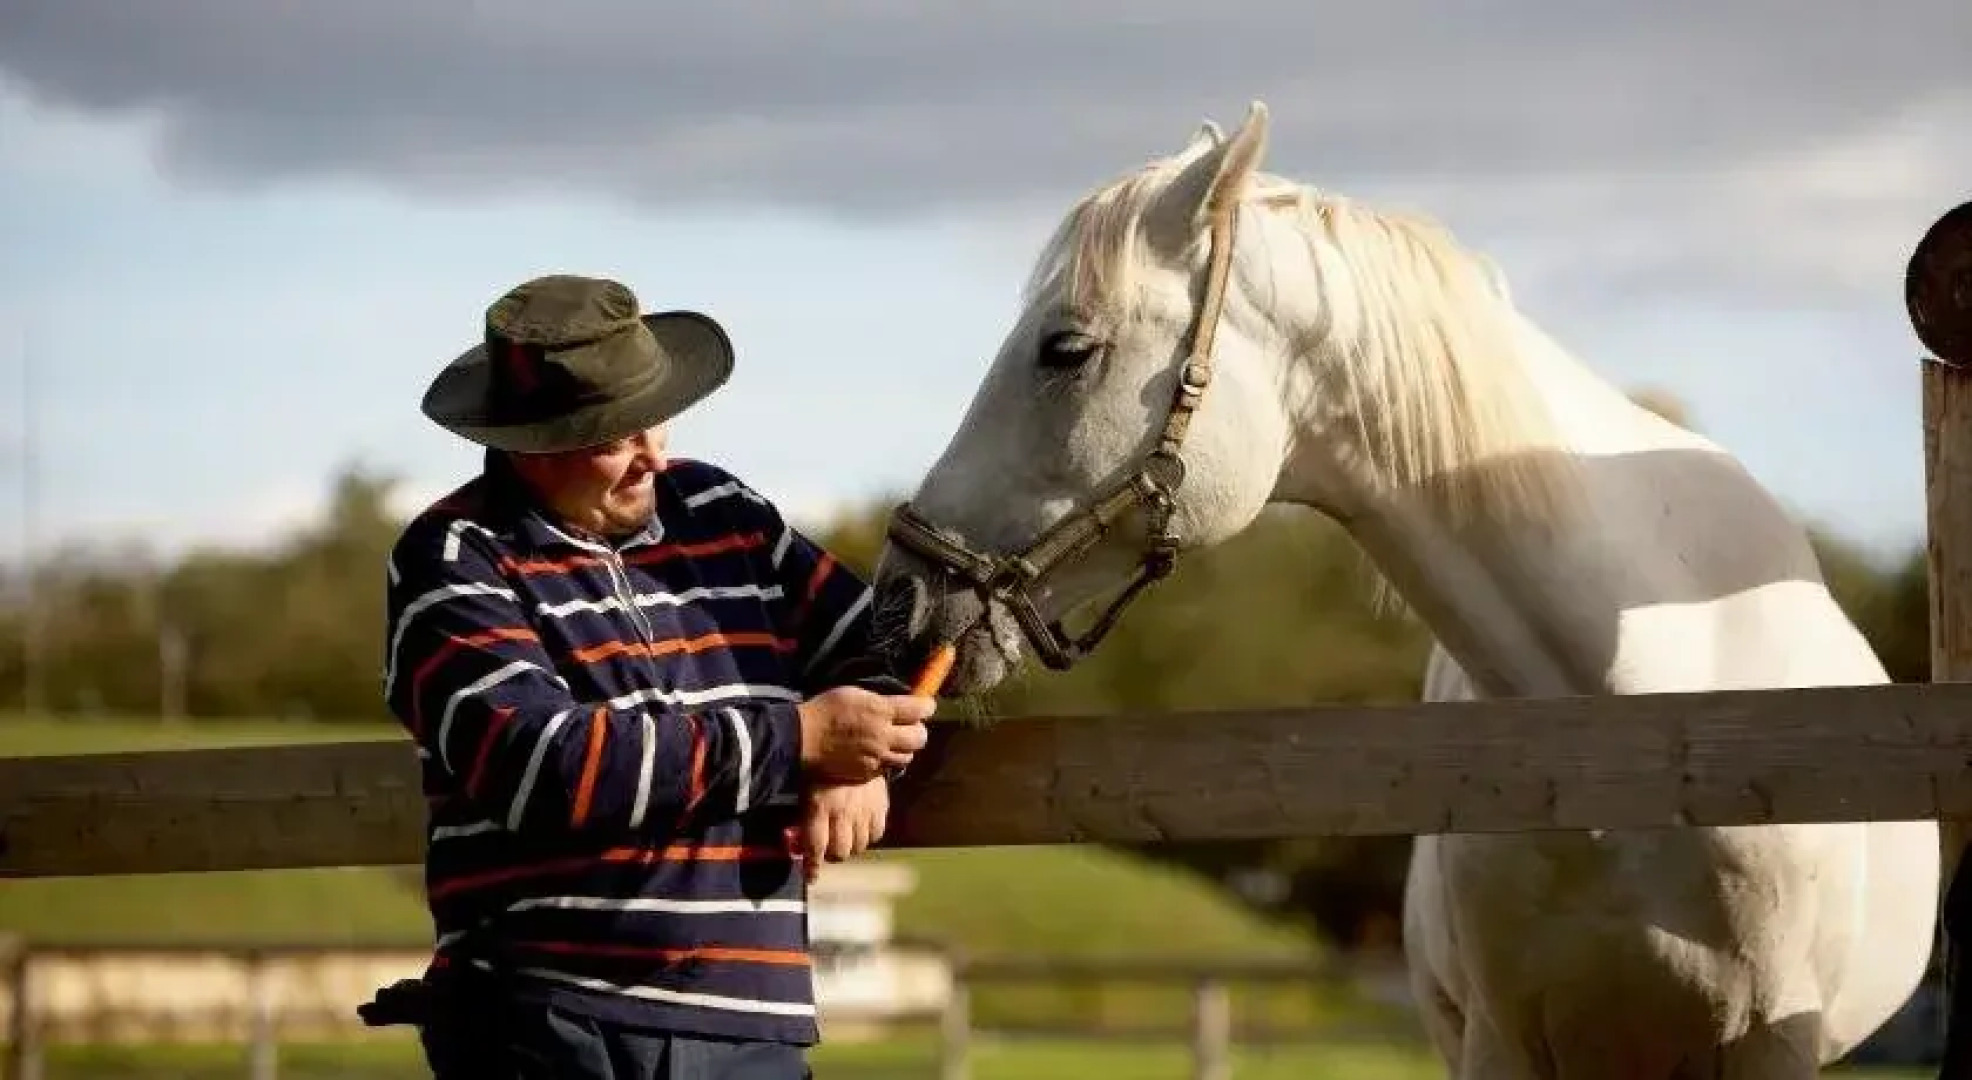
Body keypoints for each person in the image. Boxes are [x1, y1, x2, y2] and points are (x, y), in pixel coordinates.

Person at [373, 273, 935, 1079]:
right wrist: (802, 740)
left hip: (751, 1026)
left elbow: (887, 643)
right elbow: (544, 764)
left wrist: (864, 762)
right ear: (532, 443)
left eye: (655, 419)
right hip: (546, 1019)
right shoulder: (455, 555)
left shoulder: (723, 510)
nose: (654, 456)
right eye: (614, 435)